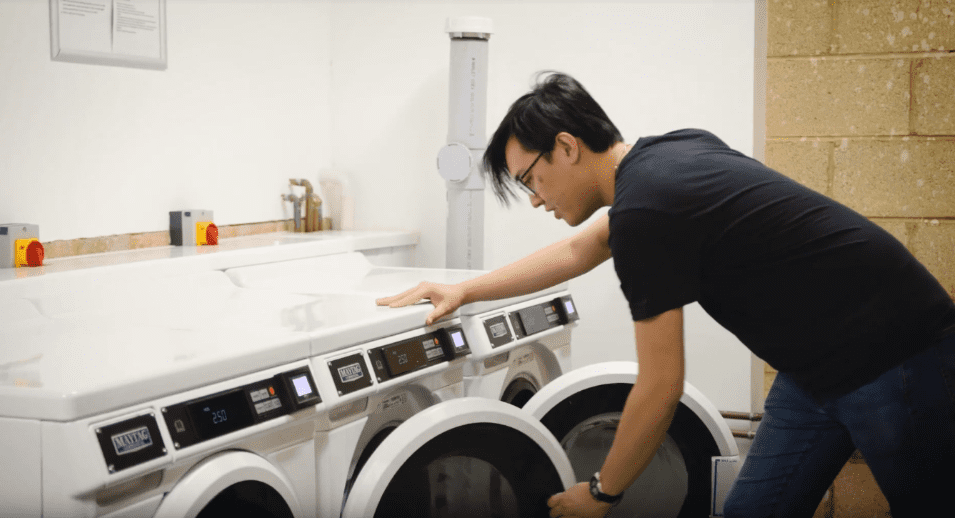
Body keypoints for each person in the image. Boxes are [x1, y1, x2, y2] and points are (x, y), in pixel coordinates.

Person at [376, 72, 955, 518]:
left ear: (567, 146)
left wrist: (602, 494)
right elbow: (581, 251)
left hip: (895, 357)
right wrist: (463, 288)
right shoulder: (663, 159)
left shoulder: (649, 210)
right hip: (817, 372)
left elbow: (660, 385)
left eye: (530, 179)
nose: (534, 199)